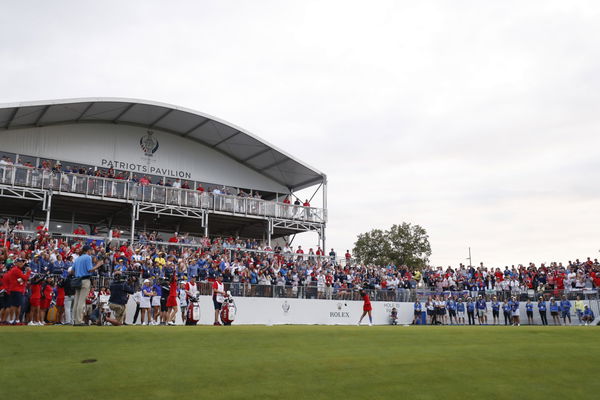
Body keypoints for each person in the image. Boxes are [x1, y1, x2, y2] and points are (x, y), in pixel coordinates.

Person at [72, 245, 103, 326]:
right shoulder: (88, 257)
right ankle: (78, 321)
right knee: (81, 302)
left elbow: (71, 271)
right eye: (91, 250)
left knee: (76, 301)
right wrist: (98, 265)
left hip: (77, 280)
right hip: (85, 280)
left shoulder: (77, 258)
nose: (91, 251)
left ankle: (75, 320)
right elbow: (90, 269)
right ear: (88, 250)